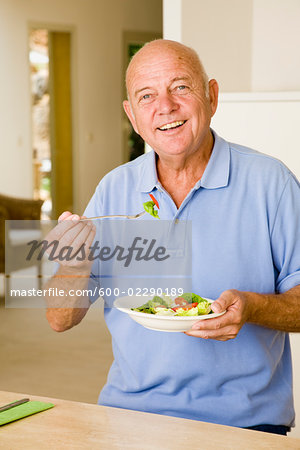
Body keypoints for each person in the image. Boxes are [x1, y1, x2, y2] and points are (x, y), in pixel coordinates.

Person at [45, 39, 300, 435]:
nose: (164, 106)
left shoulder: (272, 183)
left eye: (180, 86)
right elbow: (60, 318)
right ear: (132, 115)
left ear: (211, 96)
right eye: (146, 95)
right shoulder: (114, 189)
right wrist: (74, 264)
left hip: (245, 425)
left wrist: (252, 307)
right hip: (128, 417)